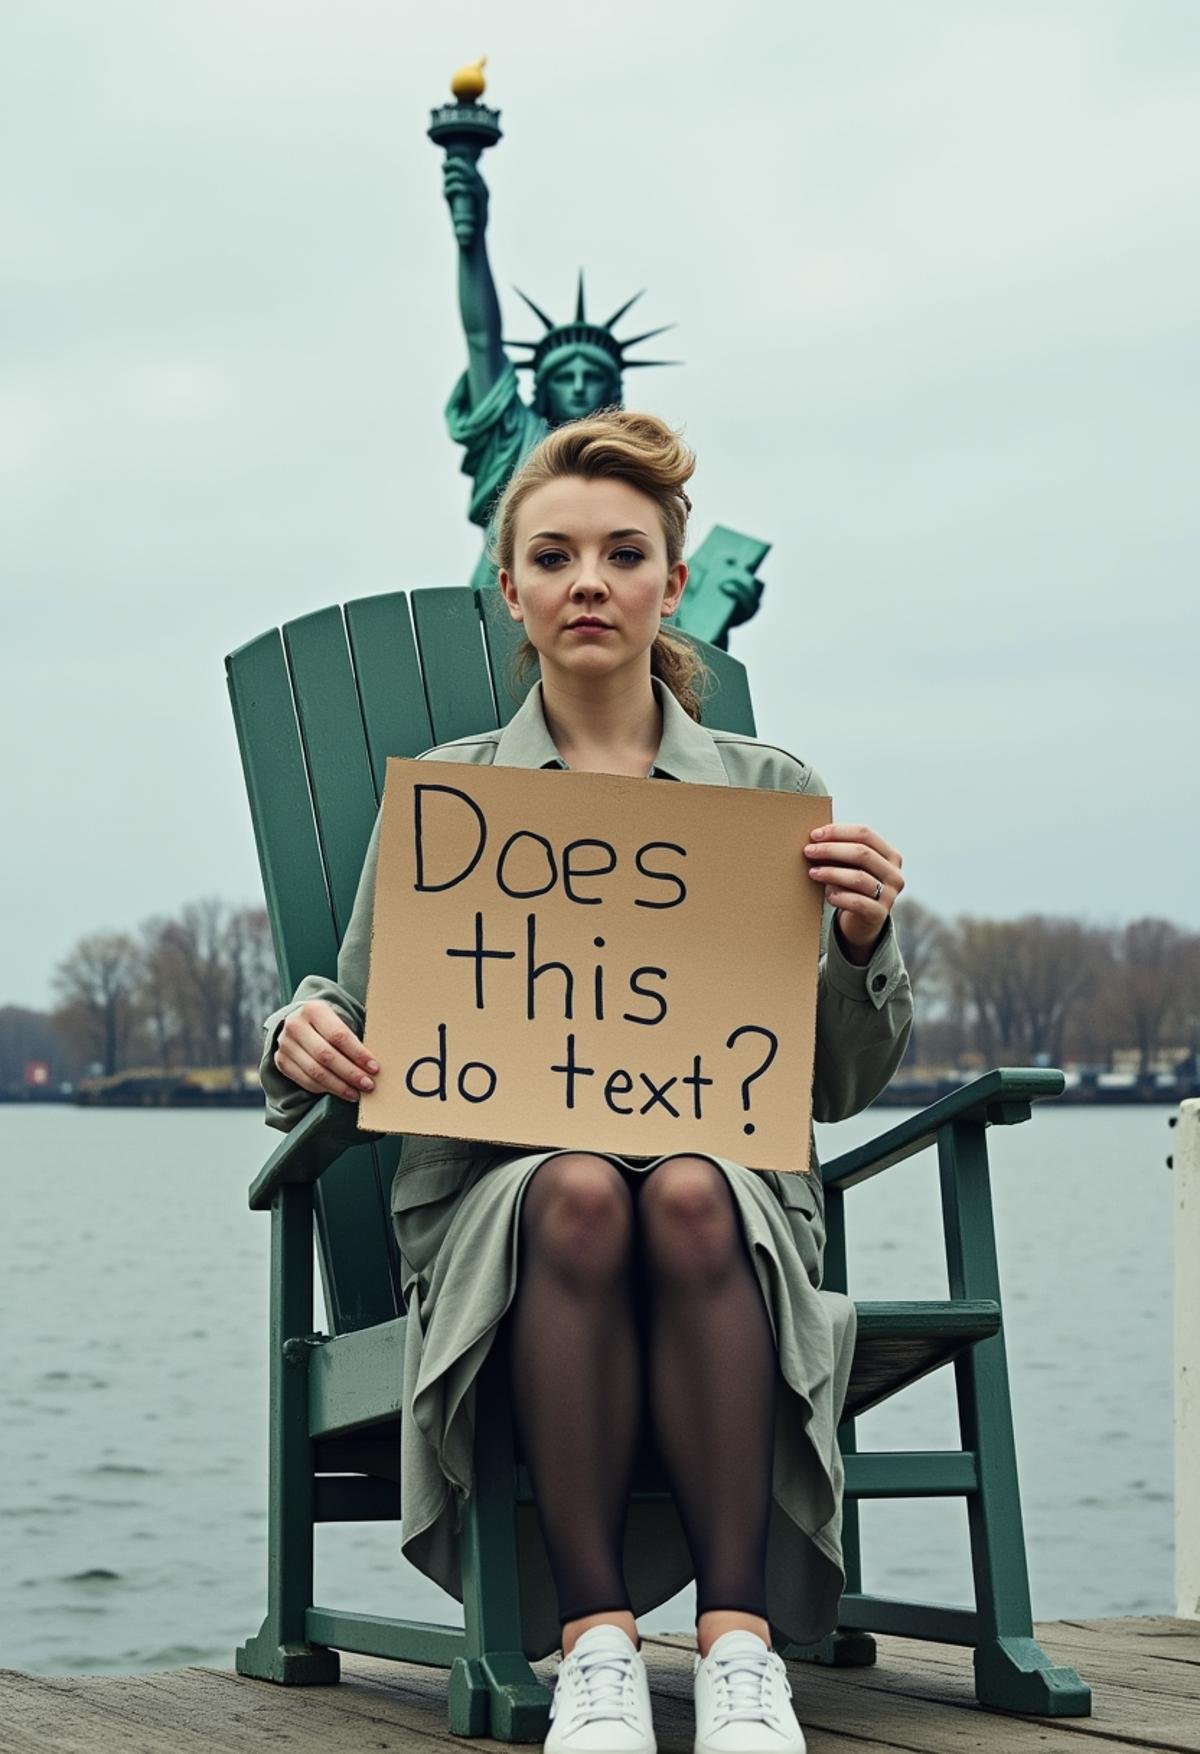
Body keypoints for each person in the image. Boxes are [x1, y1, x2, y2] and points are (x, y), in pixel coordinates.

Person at [258, 410, 913, 1754]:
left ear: (674, 581)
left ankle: (741, 1649)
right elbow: (360, 1001)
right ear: (511, 588)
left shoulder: (766, 792)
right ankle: (596, 1647)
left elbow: (837, 1082)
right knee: (575, 1190)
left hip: (721, 1211)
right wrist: (300, 1034)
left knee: (676, 1190)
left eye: (624, 554)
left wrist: (858, 938)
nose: (589, 582)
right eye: (553, 556)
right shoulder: (452, 801)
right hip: (508, 1211)